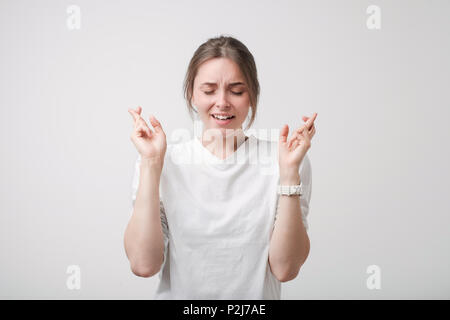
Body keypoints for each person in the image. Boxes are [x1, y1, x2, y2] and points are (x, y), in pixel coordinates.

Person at [124, 35, 317, 300]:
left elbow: (285, 268)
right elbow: (143, 264)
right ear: (192, 93)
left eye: (237, 90)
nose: (223, 102)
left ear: (252, 95)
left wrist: (289, 174)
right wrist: (151, 164)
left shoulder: (283, 160)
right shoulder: (162, 160)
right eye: (209, 90)